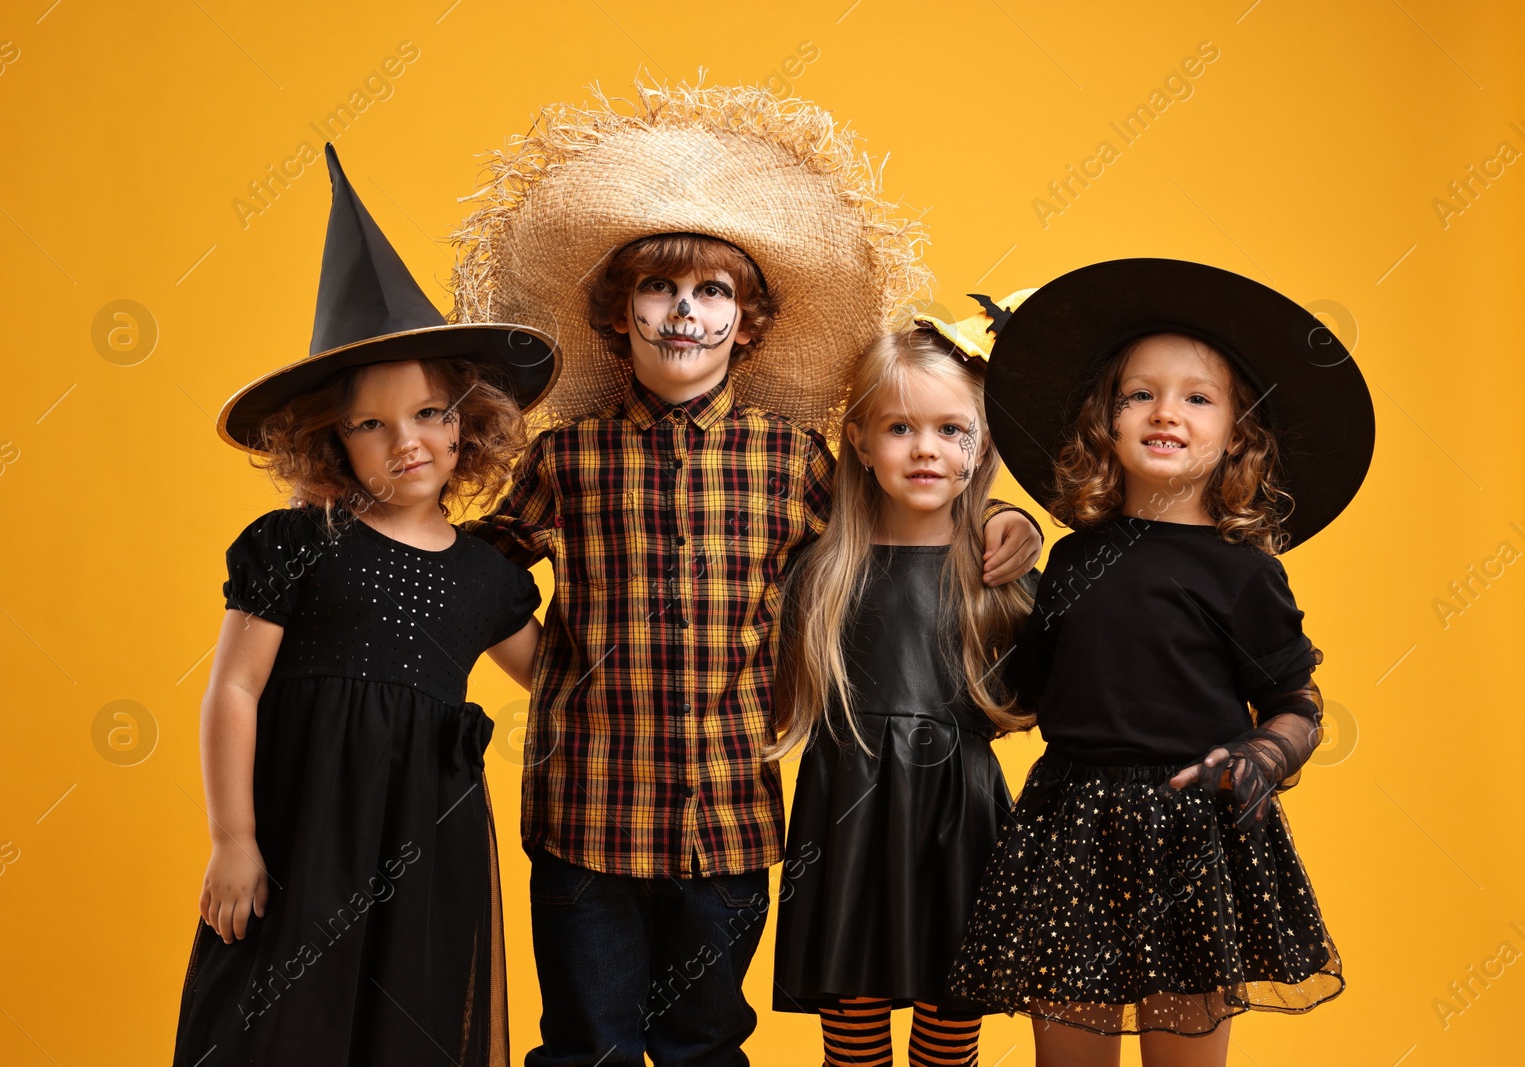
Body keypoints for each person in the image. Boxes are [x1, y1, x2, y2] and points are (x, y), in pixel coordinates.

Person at [450, 83, 1044, 1067]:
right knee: (584, 1040)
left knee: (705, 1039)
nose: (684, 311)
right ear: (616, 313)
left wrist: (1009, 518)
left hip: (727, 812)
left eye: (713, 291)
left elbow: (892, 527)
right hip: (585, 809)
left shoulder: (795, 460)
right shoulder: (569, 456)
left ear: (749, 320)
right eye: (657, 288)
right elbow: (478, 575)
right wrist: (548, 666)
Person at [172, 144, 558, 1067]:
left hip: (428, 839)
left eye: (429, 413)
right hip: (301, 830)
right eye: (371, 424)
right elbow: (232, 690)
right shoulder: (295, 545)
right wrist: (233, 837)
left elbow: (562, 680)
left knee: (412, 1026)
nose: (407, 441)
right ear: (331, 443)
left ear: (467, 419)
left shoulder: (489, 576)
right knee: (275, 1019)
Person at [947, 258, 1374, 1066]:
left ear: (1240, 433)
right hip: (1070, 827)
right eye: (1139, 393)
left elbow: (1296, 698)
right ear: (1102, 420)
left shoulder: (1244, 571)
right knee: (1067, 1054)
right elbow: (1021, 693)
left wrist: (1265, 751)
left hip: (1192, 831)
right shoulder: (1072, 560)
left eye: (1197, 397)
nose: (1164, 411)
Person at [768, 324, 1036, 1067]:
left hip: (962, 818)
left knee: (950, 1032)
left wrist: (1020, 519)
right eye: (899, 427)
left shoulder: (1001, 576)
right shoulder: (819, 572)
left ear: (981, 445)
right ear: (858, 441)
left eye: (952, 429)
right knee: (852, 1038)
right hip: (847, 815)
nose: (926, 449)